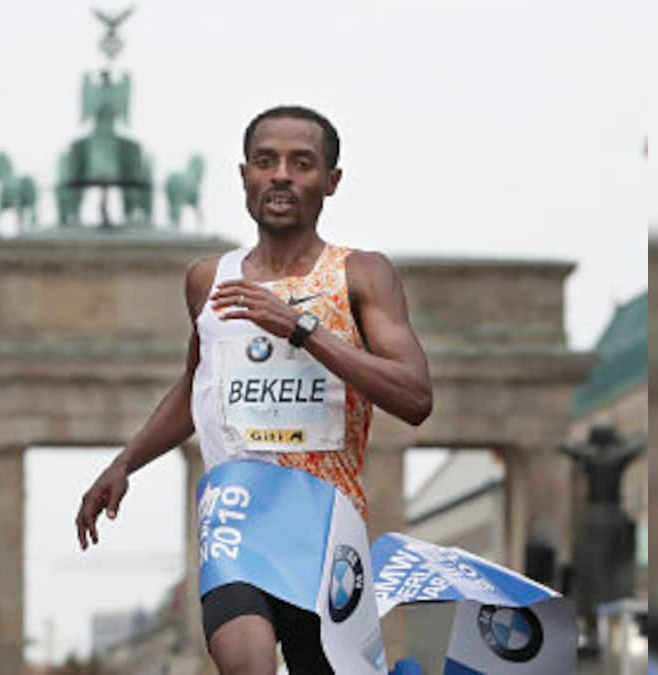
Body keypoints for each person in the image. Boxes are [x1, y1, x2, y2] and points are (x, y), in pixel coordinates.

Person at [75, 105, 433, 674]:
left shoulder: (361, 275)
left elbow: (415, 397)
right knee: (246, 660)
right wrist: (126, 462)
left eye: (301, 163)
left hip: (324, 521)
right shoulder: (207, 280)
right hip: (237, 512)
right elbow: (198, 385)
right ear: (244, 175)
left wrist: (301, 328)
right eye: (266, 162)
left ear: (331, 181)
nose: (281, 175)